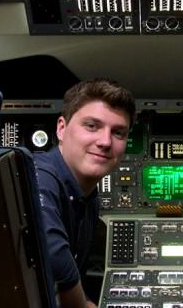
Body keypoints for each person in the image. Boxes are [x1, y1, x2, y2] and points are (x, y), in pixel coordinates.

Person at [35, 78, 135, 308]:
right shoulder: (39, 176)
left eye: (118, 133)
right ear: (61, 128)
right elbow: (52, 253)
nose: (105, 141)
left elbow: (73, 279)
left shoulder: (89, 198)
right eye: (92, 126)